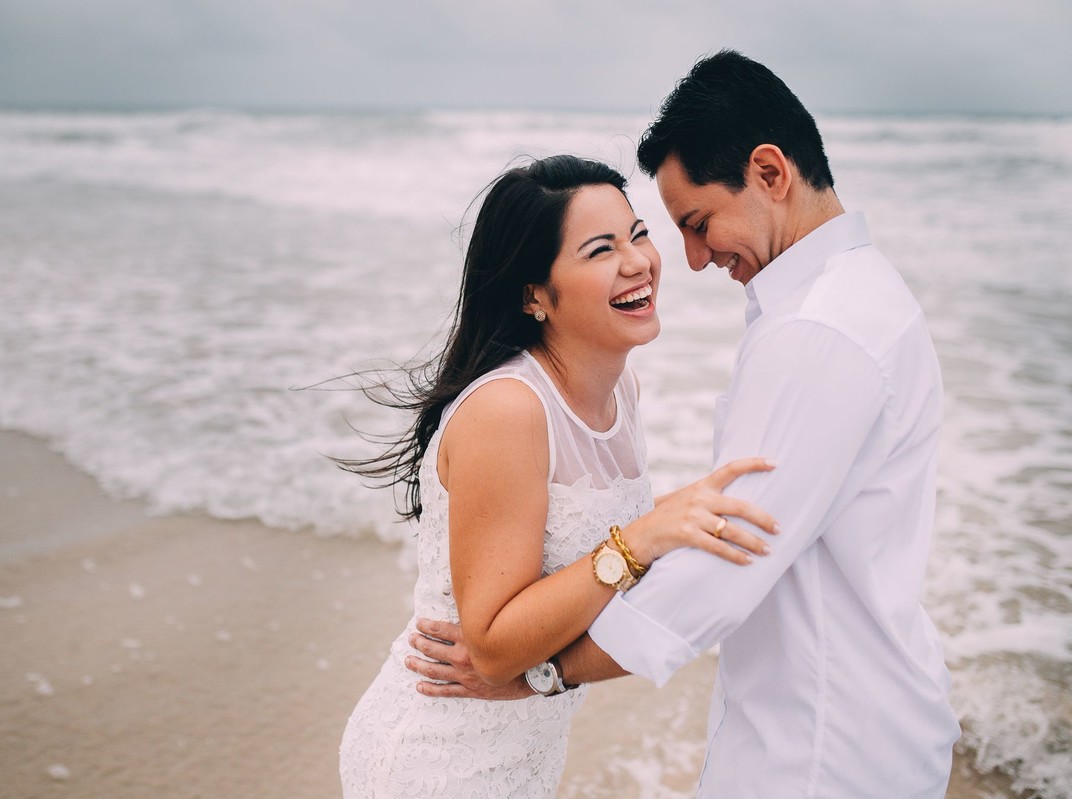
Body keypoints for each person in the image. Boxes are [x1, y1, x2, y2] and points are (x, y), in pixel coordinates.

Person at [406, 51, 962, 797]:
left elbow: (720, 566)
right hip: (830, 721)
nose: (691, 259)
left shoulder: (820, 331)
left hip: (822, 748)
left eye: (694, 224)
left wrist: (543, 675)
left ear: (770, 173)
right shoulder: (855, 297)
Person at [337, 154, 780, 797]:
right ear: (534, 294)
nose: (638, 262)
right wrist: (642, 540)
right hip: (436, 760)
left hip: (519, 749)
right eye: (601, 249)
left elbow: (589, 594)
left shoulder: (620, 389)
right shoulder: (508, 411)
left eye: (639, 234)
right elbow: (491, 648)